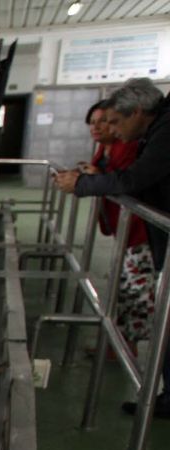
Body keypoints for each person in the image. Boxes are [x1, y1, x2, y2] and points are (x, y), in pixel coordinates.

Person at [56, 78, 170, 418]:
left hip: (144, 235)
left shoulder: (164, 128)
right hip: (149, 234)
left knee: (158, 310)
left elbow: (135, 178)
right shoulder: (155, 127)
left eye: (115, 122)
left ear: (136, 112)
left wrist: (84, 184)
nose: (110, 129)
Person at [88, 100, 155, 349]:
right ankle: (121, 345)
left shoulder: (126, 148)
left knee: (137, 291)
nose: (98, 127)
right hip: (123, 230)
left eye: (107, 121)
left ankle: (135, 347)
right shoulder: (103, 150)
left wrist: (93, 179)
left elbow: (125, 182)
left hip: (139, 233)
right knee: (124, 288)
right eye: (93, 123)